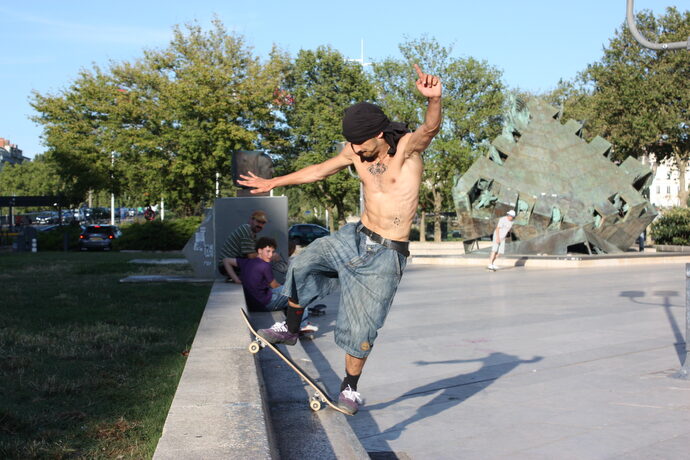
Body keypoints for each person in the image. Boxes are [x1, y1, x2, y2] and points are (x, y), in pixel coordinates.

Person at [237, 64, 442, 415]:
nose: (356, 153)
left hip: (386, 254)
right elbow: (319, 170)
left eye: (361, 145)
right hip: (355, 237)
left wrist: (434, 100)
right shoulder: (353, 150)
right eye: (352, 146)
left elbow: (429, 128)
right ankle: (290, 327)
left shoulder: (406, 150)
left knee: (361, 326)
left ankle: (349, 389)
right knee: (302, 264)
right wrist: (275, 182)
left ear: (379, 135)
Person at [225, 237, 318, 333]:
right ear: (260, 251)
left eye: (272, 252)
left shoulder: (246, 262)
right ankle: (302, 325)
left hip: (253, 302)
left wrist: (236, 279)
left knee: (290, 292)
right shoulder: (265, 266)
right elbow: (275, 286)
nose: (270, 255)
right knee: (300, 293)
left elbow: (226, 261)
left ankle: (293, 321)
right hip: (264, 303)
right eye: (268, 251)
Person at [218, 210, 269, 283]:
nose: (260, 225)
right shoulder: (246, 231)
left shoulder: (251, 233)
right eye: (258, 221)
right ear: (251, 220)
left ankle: (237, 278)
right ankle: (237, 279)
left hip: (230, 263)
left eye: (263, 223)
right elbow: (251, 256)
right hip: (225, 266)